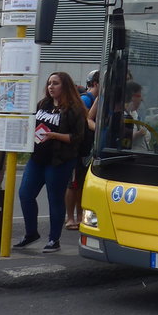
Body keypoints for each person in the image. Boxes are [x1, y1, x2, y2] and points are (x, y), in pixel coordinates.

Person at [15, 72, 87, 253]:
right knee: (25, 194)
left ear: (65, 86)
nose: (51, 87)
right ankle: (31, 233)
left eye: (55, 83)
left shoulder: (74, 109)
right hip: (38, 158)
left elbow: (78, 137)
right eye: (49, 83)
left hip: (59, 160)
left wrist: (54, 135)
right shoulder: (43, 104)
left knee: (54, 199)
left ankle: (54, 239)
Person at [65, 70, 100, 230]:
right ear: (95, 84)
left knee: (80, 185)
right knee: (73, 185)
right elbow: (83, 122)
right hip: (78, 150)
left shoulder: (93, 99)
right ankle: (71, 217)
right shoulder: (86, 100)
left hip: (86, 150)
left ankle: (79, 216)